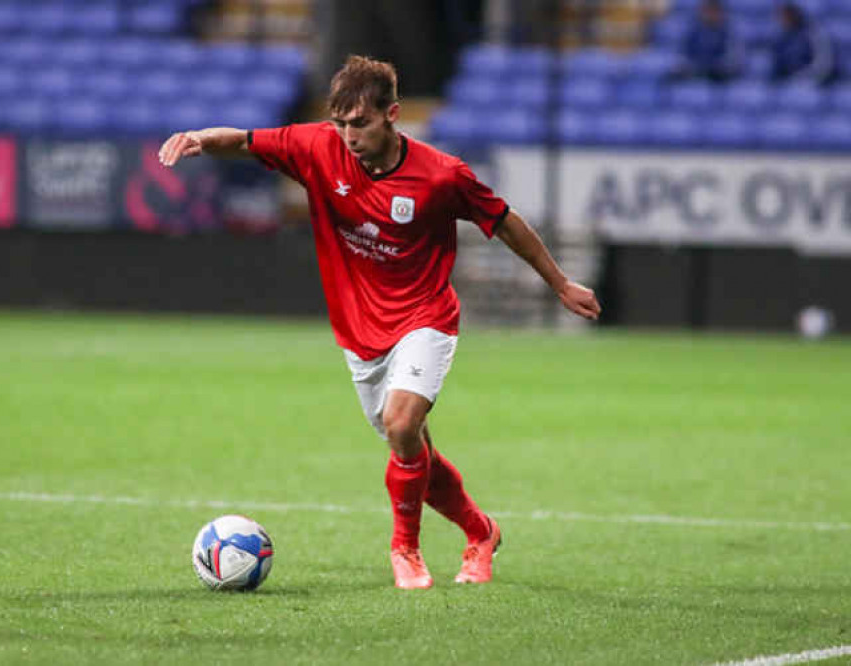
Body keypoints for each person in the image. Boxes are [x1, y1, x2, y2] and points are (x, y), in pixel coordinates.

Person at [158, 55, 601, 590]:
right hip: (360, 333)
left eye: (360, 123)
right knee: (410, 448)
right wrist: (202, 138)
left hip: (425, 315)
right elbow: (249, 140)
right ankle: (481, 532)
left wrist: (560, 283)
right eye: (341, 123)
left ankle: (405, 551)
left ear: (393, 115)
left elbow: (505, 223)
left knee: (400, 424)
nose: (348, 135)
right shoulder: (318, 147)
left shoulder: (441, 175)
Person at [673, 0, 743, 82]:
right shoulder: (693, 31)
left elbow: (732, 58)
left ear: (721, 14)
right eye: (707, 12)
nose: (710, 15)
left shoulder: (729, 33)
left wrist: (714, 67)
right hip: (696, 73)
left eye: (714, 12)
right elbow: (683, 54)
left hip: (719, 77)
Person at [770, 2, 837, 85]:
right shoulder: (781, 36)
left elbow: (823, 64)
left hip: (813, 81)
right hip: (789, 81)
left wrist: (803, 77)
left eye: (786, 17)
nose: (782, 20)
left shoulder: (813, 33)